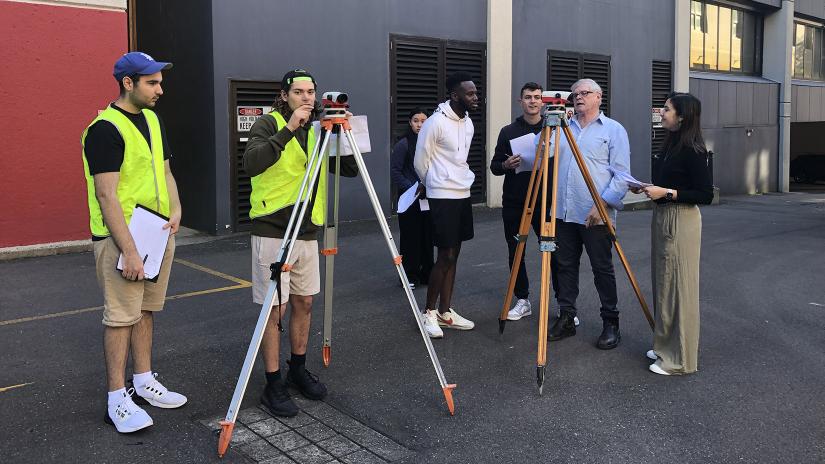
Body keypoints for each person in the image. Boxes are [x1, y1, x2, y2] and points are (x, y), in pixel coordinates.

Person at [242, 69, 358, 417]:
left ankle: (297, 368)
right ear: (284, 95)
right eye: (298, 92)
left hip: (307, 229)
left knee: (304, 302)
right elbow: (252, 163)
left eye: (310, 92)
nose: (306, 98)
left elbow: (349, 170)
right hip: (273, 228)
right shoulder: (269, 123)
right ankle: (273, 381)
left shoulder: (319, 129)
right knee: (274, 309)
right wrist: (289, 128)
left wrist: (342, 135)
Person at [81, 51, 186, 433]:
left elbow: (165, 170)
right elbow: (106, 195)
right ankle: (116, 399)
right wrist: (128, 251)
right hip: (121, 239)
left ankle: (143, 381)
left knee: (145, 310)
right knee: (121, 317)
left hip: (155, 232)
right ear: (128, 83)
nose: (160, 89)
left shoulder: (153, 120)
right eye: (152, 83)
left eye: (160, 81)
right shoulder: (105, 129)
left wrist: (176, 208)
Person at [547, 78, 630, 350]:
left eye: (584, 93)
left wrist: (603, 204)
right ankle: (567, 317)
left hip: (595, 212)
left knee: (601, 268)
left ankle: (611, 323)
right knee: (564, 266)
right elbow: (541, 152)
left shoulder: (614, 130)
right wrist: (548, 126)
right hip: (563, 210)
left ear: (598, 97)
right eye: (575, 94)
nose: (578, 97)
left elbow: (622, 176)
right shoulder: (563, 127)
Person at [638, 92, 712, 375]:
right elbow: (668, 183)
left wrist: (666, 192)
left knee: (679, 287)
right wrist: (647, 187)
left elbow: (704, 194)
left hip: (681, 219)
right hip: (663, 216)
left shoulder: (694, 150)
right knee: (664, 284)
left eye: (667, 109)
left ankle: (680, 360)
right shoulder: (670, 144)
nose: (662, 112)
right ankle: (664, 346)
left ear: (682, 116)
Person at [490, 82, 572, 323]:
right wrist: (506, 165)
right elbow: (495, 166)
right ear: (521, 101)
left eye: (537, 97)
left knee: (554, 253)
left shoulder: (555, 129)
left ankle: (564, 304)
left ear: (543, 102)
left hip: (546, 201)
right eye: (528, 97)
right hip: (516, 202)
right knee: (516, 251)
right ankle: (522, 299)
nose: (533, 101)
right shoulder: (508, 131)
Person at [414, 71, 479, 338]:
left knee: (455, 254)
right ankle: (428, 312)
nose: (475, 97)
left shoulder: (468, 122)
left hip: (463, 192)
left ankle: (445, 311)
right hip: (442, 194)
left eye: (475, 92)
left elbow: (461, 159)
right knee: (445, 255)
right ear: (455, 95)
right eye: (470, 93)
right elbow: (421, 161)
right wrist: (431, 183)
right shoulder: (435, 122)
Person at [390, 108, 433, 289]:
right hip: (409, 198)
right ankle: (409, 275)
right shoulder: (404, 144)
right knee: (410, 238)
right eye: (416, 121)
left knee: (427, 236)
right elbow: (395, 171)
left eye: (423, 121)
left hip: (428, 196)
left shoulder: (432, 143)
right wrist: (412, 188)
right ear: (410, 123)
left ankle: (427, 274)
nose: (420, 125)